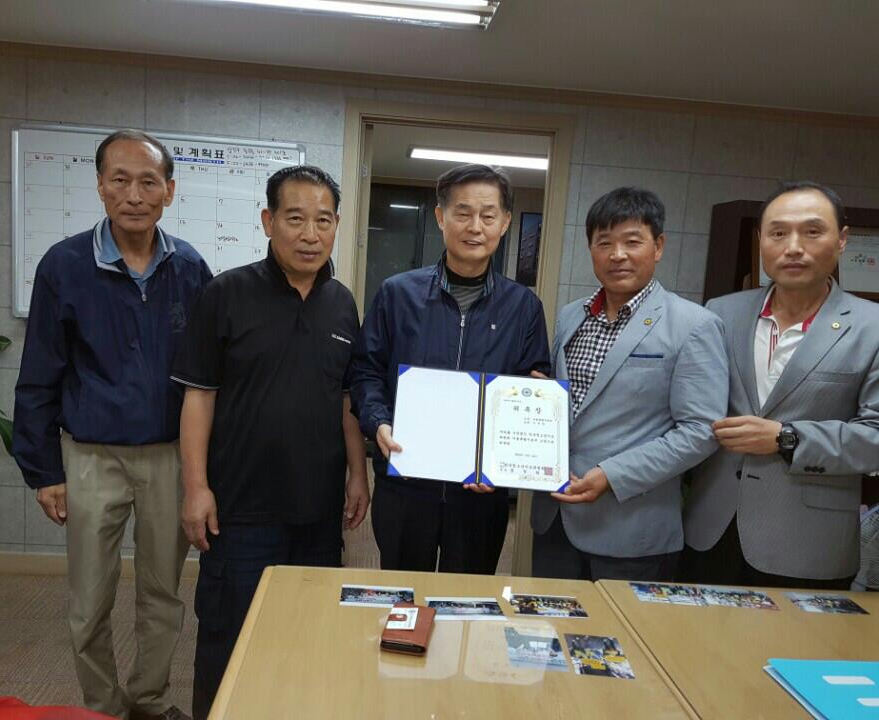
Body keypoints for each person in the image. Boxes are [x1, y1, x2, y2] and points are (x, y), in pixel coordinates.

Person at [13, 129, 210, 720]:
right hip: (90, 457)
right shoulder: (64, 265)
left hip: (169, 456)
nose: (134, 195)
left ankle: (149, 699)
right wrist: (45, 470)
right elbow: (38, 374)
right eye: (120, 180)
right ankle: (102, 706)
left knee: (163, 592)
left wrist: (203, 470)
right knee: (89, 599)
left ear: (169, 190)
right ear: (100, 186)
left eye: (149, 181)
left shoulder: (190, 267)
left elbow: (207, 379)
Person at [171, 165, 368, 720]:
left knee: (307, 636)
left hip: (317, 513)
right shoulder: (225, 293)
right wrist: (195, 488)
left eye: (323, 221)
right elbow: (198, 396)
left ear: (336, 226)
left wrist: (358, 474)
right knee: (228, 639)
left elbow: (346, 400)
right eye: (295, 218)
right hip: (240, 509)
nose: (310, 234)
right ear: (267, 221)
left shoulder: (342, 304)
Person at [350, 164, 550, 575]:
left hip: (480, 496)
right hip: (405, 486)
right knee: (404, 595)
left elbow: (532, 385)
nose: (475, 227)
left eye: (488, 215)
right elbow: (366, 372)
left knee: (468, 600)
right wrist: (378, 422)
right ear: (441, 217)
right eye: (463, 213)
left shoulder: (524, 308)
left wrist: (508, 455)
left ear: (505, 223)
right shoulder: (397, 294)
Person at [683, 181, 879, 589]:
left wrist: (786, 437)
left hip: (808, 542)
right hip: (710, 529)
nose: (793, 247)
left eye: (812, 231)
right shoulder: (721, 313)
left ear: (842, 239)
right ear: (761, 240)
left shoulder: (871, 327)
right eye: (778, 233)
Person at [530, 187, 728, 582]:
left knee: (622, 625)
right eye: (604, 242)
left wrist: (613, 475)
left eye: (632, 241)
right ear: (591, 249)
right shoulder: (571, 316)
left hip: (631, 526)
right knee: (548, 617)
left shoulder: (694, 324)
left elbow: (700, 431)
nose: (617, 254)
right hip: (554, 519)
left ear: (659, 246)